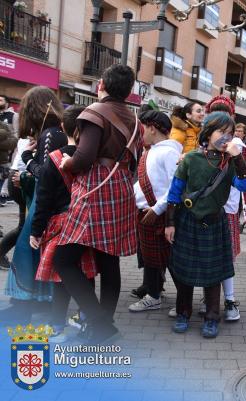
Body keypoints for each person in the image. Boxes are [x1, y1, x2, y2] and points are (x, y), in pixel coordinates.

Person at [53, 64, 139, 344]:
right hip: (121, 187)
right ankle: (103, 324)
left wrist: (68, 162)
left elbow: (84, 157)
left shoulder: (95, 112)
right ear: (130, 90)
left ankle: (100, 323)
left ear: (100, 84)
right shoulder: (133, 117)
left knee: (64, 259)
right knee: (108, 257)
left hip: (95, 188)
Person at [165, 111, 246, 338]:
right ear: (208, 132)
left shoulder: (230, 162)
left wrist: (237, 157)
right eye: (221, 132)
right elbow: (174, 193)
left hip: (215, 221)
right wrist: (170, 222)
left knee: (213, 275)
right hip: (187, 220)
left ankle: (212, 318)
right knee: (184, 272)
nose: (226, 137)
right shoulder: (191, 159)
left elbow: (245, 186)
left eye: (230, 134)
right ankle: (184, 313)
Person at [28, 105, 96, 342]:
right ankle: (85, 318)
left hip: (60, 224)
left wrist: (36, 231)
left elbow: (43, 201)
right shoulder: (92, 159)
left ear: (62, 127)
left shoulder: (54, 160)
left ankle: (57, 325)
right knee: (85, 272)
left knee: (61, 277)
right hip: (87, 223)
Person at [1, 86, 65, 323]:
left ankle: (22, 306)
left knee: (26, 251)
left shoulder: (49, 134)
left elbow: (47, 175)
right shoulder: (56, 131)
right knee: (36, 253)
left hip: (44, 202)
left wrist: (27, 163)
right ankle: (36, 304)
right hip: (49, 202)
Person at [128, 111, 181, 313]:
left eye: (142, 128)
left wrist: (158, 208)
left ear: (151, 128)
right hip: (146, 212)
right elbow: (141, 184)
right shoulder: (150, 151)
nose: (140, 133)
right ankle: (153, 294)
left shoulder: (169, 153)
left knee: (171, 261)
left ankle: (180, 301)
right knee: (151, 259)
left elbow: (176, 186)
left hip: (161, 214)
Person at [0, 136, 29, 270]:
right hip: (20, 178)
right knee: (25, 226)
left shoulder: (29, 136)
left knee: (25, 226)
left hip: (18, 176)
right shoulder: (33, 137)